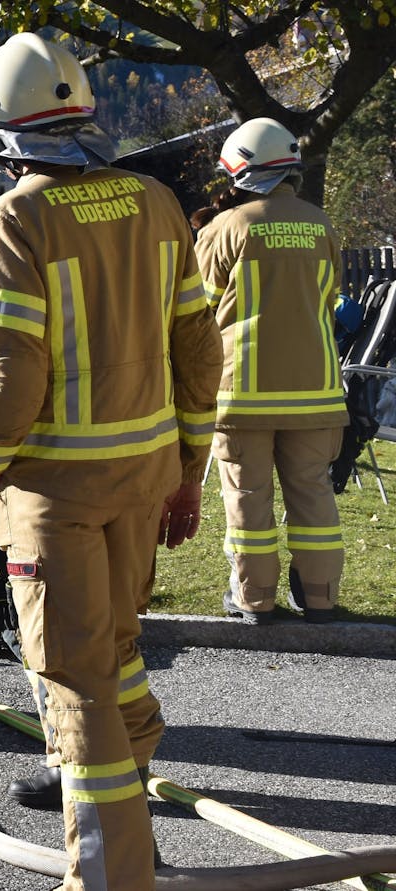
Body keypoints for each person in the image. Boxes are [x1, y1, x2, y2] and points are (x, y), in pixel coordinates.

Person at [0, 34, 221, 889]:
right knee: (115, 644)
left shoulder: (17, 217)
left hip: (57, 488)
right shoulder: (154, 200)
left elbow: (14, 367)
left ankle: (110, 870)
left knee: (73, 674)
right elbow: (198, 346)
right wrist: (188, 463)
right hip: (143, 477)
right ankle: (131, 792)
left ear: (1, 131)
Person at [196, 118, 347, 625]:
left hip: (244, 397)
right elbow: (328, 301)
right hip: (317, 394)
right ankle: (321, 599)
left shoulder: (226, 229)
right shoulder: (321, 225)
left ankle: (255, 599)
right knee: (314, 496)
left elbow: (198, 315)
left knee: (247, 499)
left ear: (239, 172)